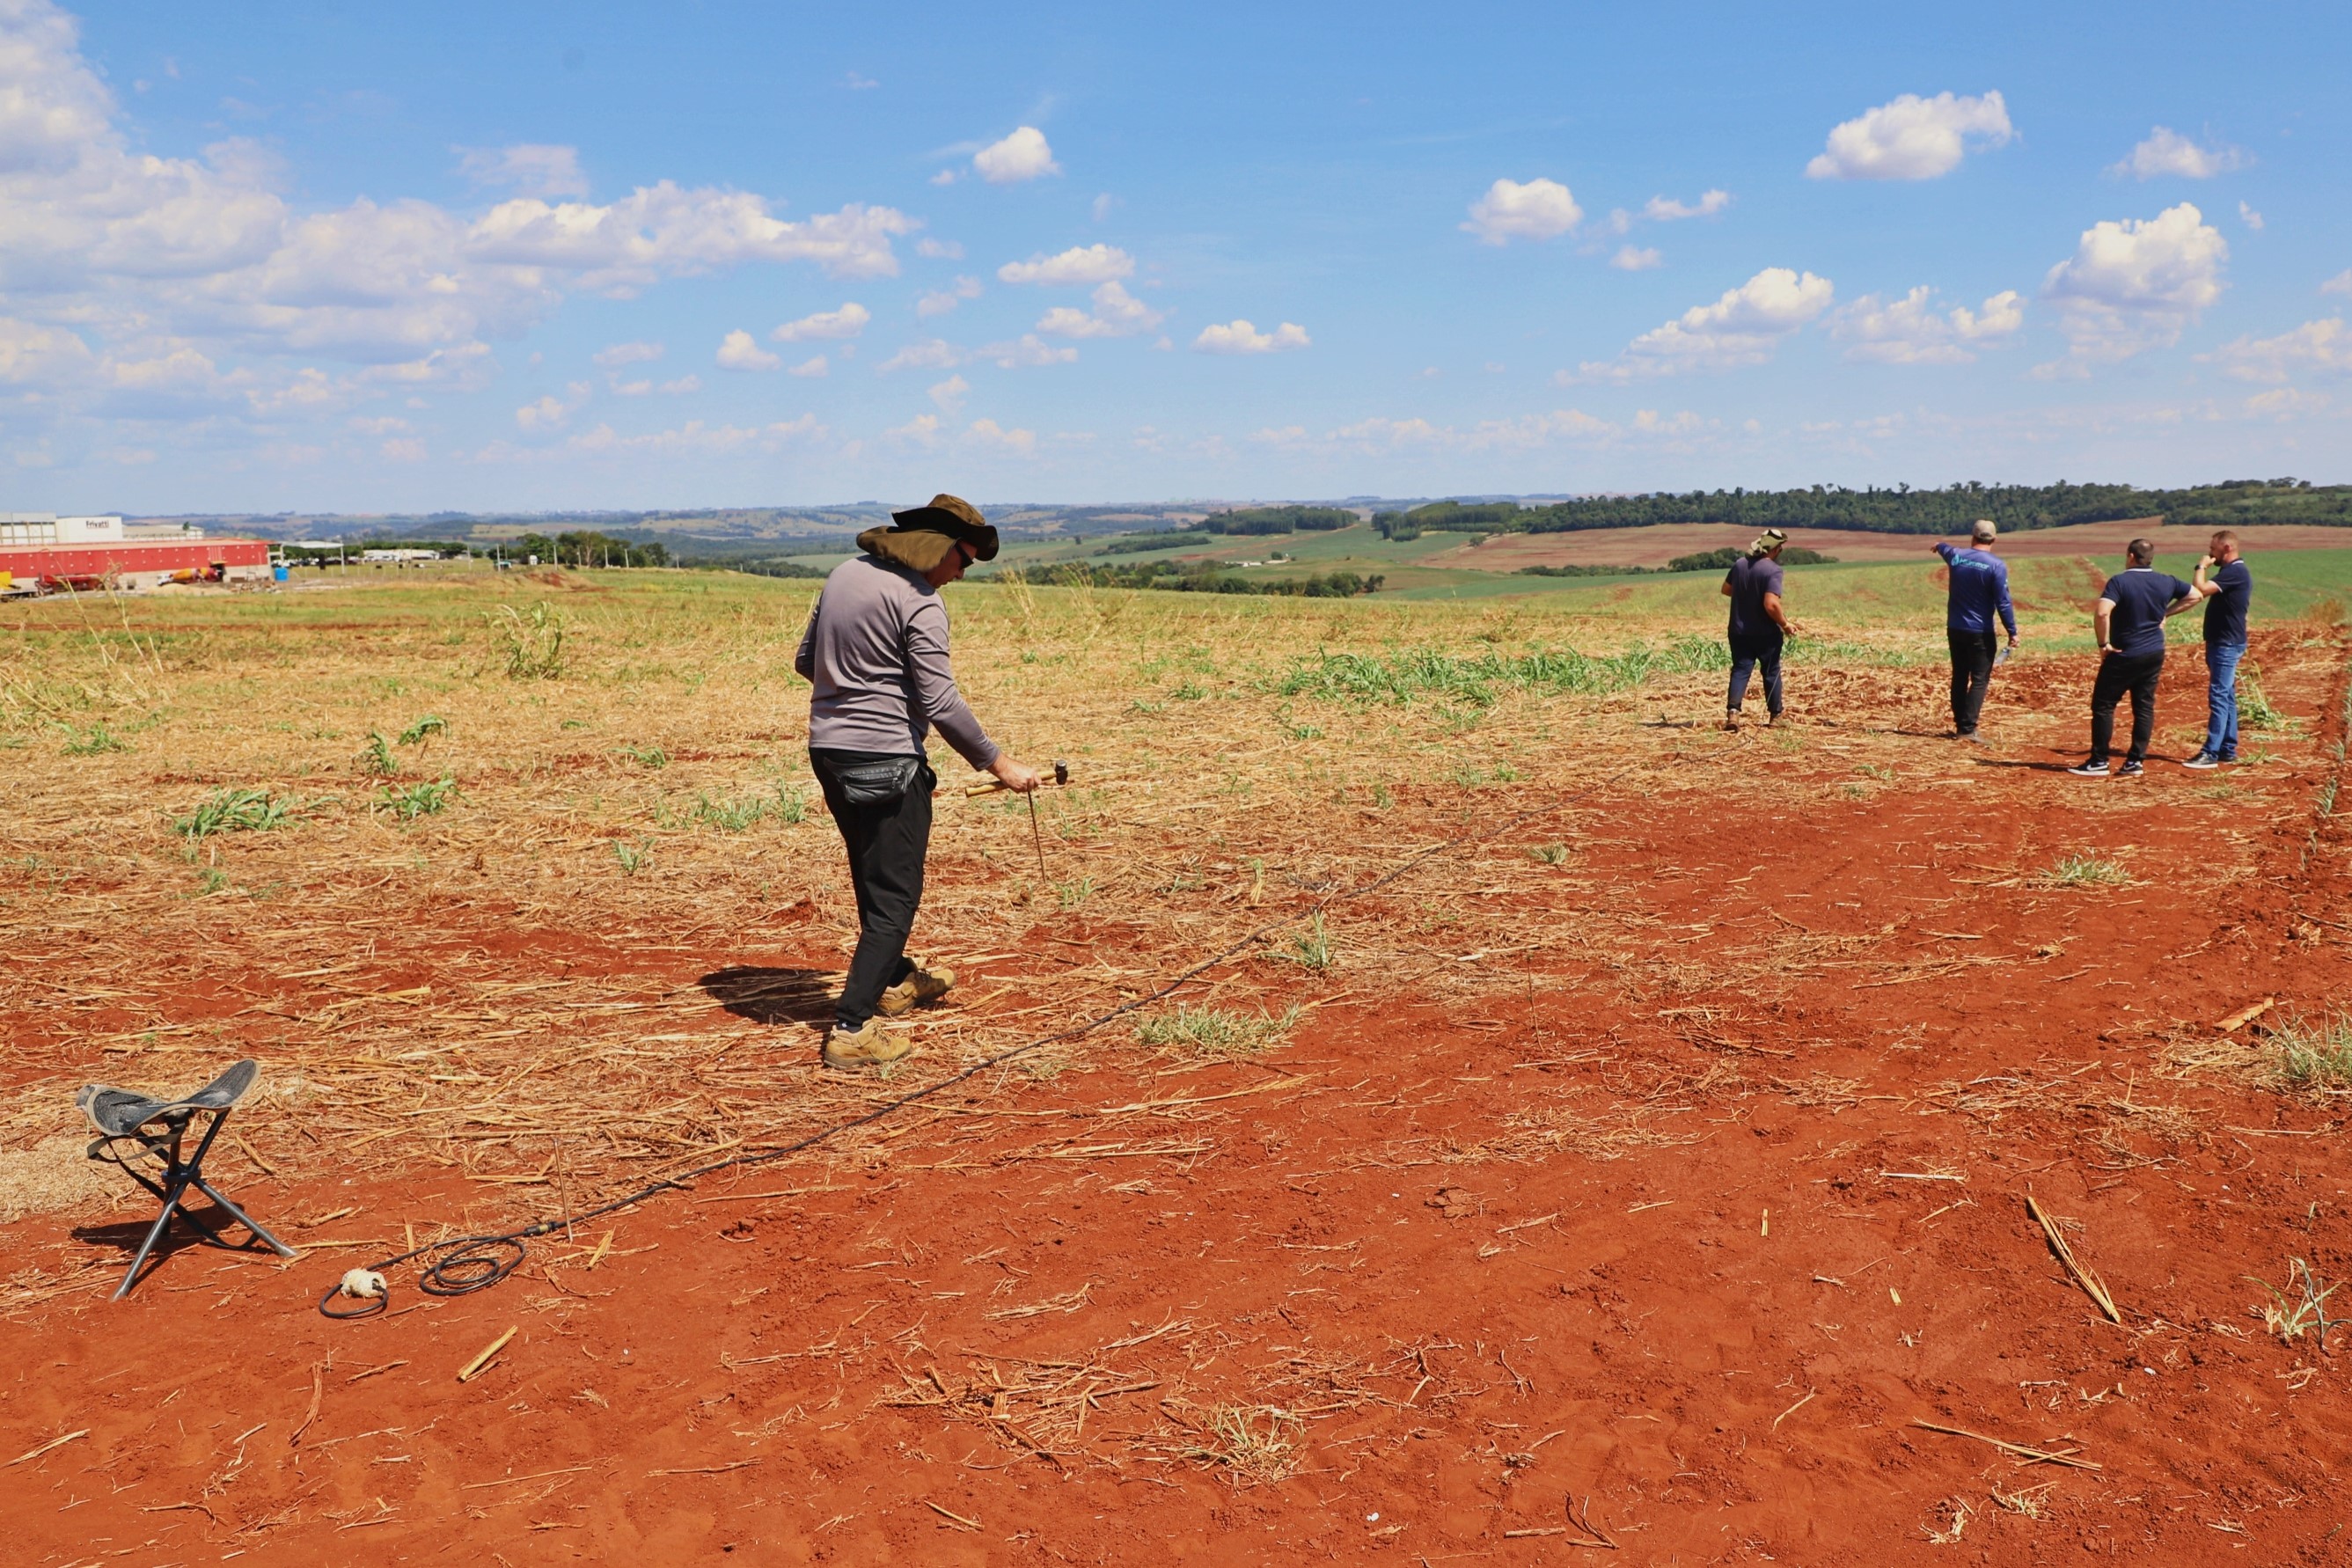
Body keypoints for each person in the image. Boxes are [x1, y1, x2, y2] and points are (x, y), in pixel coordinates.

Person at [795, 494, 1042, 1069]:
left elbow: (807, 661)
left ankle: (895, 978)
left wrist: (856, 686)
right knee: (896, 900)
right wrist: (999, 764)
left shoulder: (844, 575)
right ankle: (852, 1029)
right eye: (964, 560)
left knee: (874, 877)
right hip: (887, 763)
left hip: (828, 752)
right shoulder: (921, 602)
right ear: (940, 547)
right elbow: (940, 701)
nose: (963, 573)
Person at [2069, 538, 2202, 779]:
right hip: (2154, 652)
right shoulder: (2167, 581)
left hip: (2124, 653)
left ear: (2131, 556)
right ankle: (2135, 761)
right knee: (2143, 707)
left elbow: (2102, 612)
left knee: (2103, 705)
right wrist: (2166, 613)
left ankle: (2099, 761)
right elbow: (2196, 595)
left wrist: (2103, 644)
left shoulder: (2120, 582)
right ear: (2150, 558)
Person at [1933, 519, 2019, 743]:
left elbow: (1944, 547)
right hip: (1980, 631)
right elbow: (2003, 602)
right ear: (1994, 539)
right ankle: (1968, 728)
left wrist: (1938, 546)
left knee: (1959, 675)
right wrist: (2012, 631)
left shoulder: (1957, 556)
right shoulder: (1996, 566)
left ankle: (1961, 725)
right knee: (1980, 679)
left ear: (1972, 536)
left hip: (1955, 628)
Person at [2185, 530, 2253, 769]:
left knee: (2219, 696)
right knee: (2227, 696)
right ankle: (2227, 749)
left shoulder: (2235, 572)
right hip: (2223, 642)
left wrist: (2201, 566)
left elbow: (2200, 589)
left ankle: (2210, 753)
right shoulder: (2230, 572)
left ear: (2226, 548)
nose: (2210, 553)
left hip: (2226, 644)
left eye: (2213, 549)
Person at [1721, 529, 1799, 730]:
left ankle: (1733, 714)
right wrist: (1785, 624)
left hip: (1738, 631)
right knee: (1771, 671)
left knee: (1740, 670)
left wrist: (1746, 595)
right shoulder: (1773, 570)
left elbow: (1726, 589)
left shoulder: (1740, 564)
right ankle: (1776, 716)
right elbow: (1771, 604)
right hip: (1765, 633)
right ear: (1776, 549)